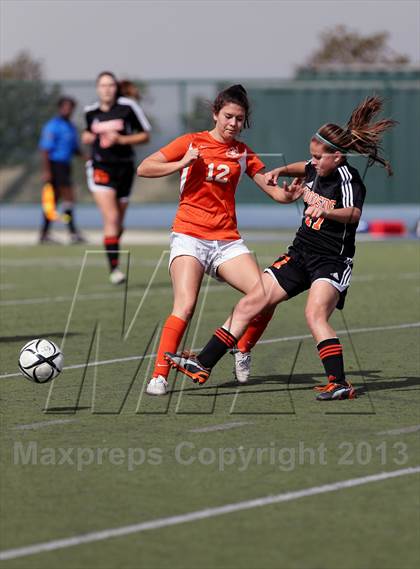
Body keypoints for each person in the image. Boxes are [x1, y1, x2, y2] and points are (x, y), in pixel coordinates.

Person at [165, 96, 396, 401]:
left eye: (318, 157)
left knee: (314, 314)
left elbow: (354, 214)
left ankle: (338, 382)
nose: (312, 163)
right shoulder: (316, 167)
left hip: (332, 261)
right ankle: (202, 364)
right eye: (311, 156)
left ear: (337, 157)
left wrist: (326, 212)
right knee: (253, 300)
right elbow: (305, 167)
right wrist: (281, 171)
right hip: (300, 254)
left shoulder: (347, 178)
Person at [137, 84, 302, 396]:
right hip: (190, 236)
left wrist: (288, 194)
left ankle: (242, 347)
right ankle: (159, 376)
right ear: (215, 114)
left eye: (239, 119)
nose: (233, 123)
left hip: (226, 240)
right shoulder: (192, 142)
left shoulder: (243, 153)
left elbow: (274, 191)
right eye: (228, 116)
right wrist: (182, 163)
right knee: (185, 306)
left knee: (266, 296)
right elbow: (144, 168)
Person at [82, 71, 151, 284]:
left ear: (116, 88)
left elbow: (145, 135)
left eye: (111, 85)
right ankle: (114, 270)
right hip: (101, 168)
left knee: (118, 224)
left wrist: (121, 140)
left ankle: (113, 248)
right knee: (111, 218)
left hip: (125, 170)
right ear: (97, 88)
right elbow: (86, 134)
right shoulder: (90, 111)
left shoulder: (128, 107)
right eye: (103, 85)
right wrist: (87, 136)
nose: (107, 89)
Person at [38, 96, 84, 244]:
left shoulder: (71, 126)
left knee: (60, 200)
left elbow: (75, 149)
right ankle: (72, 232)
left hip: (65, 166)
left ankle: (46, 234)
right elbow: (45, 150)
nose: (68, 110)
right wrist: (47, 171)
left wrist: (88, 157)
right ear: (60, 108)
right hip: (54, 165)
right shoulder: (53, 126)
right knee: (66, 198)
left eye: (70, 107)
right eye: (65, 107)